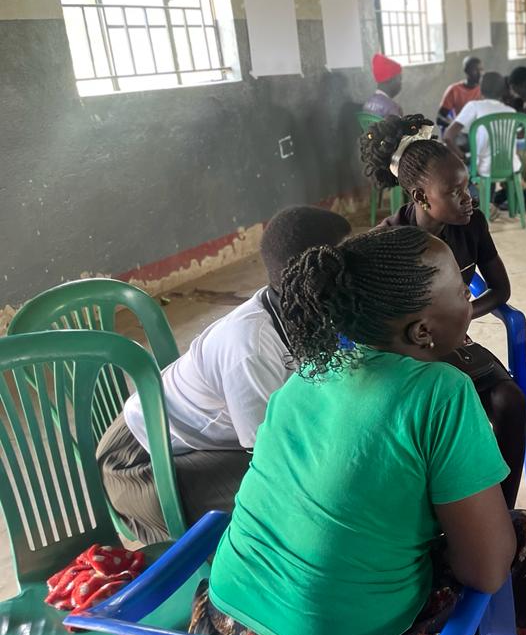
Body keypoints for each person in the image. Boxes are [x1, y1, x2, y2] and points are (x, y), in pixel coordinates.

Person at [191, 226, 526, 635]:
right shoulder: (442, 391)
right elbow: (484, 570)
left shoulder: (310, 372)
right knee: (521, 536)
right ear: (422, 331)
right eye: (460, 289)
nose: (468, 294)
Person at [96, 206, 352, 543]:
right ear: (314, 283)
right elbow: (271, 460)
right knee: (301, 499)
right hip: (142, 465)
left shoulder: (302, 314)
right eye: (350, 267)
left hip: (206, 444)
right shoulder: (250, 348)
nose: (360, 276)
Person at [364, 113, 526, 506]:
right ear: (421, 198)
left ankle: (504, 509)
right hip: (409, 356)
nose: (468, 197)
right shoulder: (389, 242)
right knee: (443, 417)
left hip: (457, 340)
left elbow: (500, 289)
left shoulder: (471, 224)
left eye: (467, 185)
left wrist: (464, 315)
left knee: (511, 400)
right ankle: (444, 511)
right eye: (455, 191)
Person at [443, 72, 523, 180]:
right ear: (503, 91)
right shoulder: (512, 112)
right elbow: (518, 138)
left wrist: (463, 158)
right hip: (511, 167)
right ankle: (501, 195)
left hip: (484, 169)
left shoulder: (474, 106)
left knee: (465, 169)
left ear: (480, 89)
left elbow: (448, 136)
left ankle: (482, 196)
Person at [436, 56, 484, 130]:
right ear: (466, 71)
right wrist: (457, 126)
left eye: (481, 70)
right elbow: (440, 118)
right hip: (463, 132)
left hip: (481, 129)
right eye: (475, 70)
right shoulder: (454, 90)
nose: (480, 73)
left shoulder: (485, 89)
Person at [361, 53, 404, 118]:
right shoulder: (391, 108)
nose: (400, 83)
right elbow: (399, 128)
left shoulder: (367, 103)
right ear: (389, 79)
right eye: (399, 78)